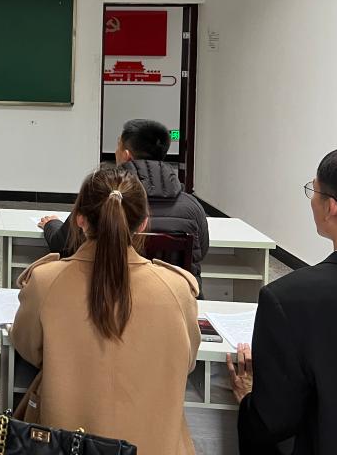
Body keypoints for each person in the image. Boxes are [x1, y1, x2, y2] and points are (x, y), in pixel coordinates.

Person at [11, 163, 200, 455]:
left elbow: (27, 347)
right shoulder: (176, 289)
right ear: (143, 223)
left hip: (67, 445)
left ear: (80, 219)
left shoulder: (46, 282)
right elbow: (186, 362)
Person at [226, 146, 337, 455]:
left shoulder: (287, 297)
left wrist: (248, 398)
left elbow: (274, 421)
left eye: (314, 190)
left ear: (332, 208)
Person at [39, 119, 210, 280]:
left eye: (118, 146)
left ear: (126, 155)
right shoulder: (192, 206)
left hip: (109, 295)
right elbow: (200, 251)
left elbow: (62, 245)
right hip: (175, 297)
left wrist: (51, 224)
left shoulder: (100, 197)